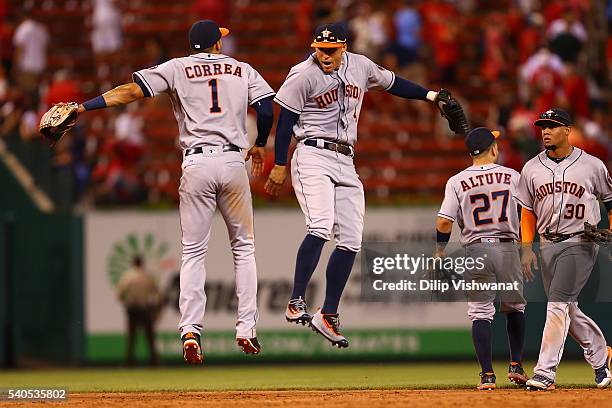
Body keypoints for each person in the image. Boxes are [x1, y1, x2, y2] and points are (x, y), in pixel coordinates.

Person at [70, 19, 275, 363]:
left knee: (193, 252)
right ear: (217, 44)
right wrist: (260, 144)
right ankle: (246, 329)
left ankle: (191, 330)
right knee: (243, 248)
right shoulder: (242, 69)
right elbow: (267, 109)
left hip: (196, 162)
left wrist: (83, 107)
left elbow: (131, 91)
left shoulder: (177, 67)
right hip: (232, 162)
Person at [265, 23, 463, 348]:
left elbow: (393, 83)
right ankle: (295, 300)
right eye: (319, 48)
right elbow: (285, 120)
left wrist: (430, 95)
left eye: (330, 49)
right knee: (319, 226)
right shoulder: (302, 74)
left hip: (346, 158)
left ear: (344, 46)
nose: (324, 55)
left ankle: (327, 314)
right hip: (313, 152)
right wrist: (280, 164)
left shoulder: (361, 65)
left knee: (352, 241)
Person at [516, 108, 612, 390]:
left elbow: (610, 200)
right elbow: (527, 212)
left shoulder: (592, 165)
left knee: (557, 304)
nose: (545, 130)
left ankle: (545, 372)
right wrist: (526, 248)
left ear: (567, 130)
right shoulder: (531, 167)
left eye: (552, 126)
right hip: (546, 243)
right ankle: (601, 357)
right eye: (543, 126)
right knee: (568, 308)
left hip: (580, 241)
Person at [436, 128, 528, 390]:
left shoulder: (456, 181)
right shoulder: (512, 176)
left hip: (475, 249)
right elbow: (529, 212)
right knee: (515, 308)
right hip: (507, 246)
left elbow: (444, 222)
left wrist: (440, 251)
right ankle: (516, 366)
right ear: (493, 149)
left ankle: (487, 375)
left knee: (480, 313)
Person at [116, 255, 161, 366]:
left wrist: (127, 303)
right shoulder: (147, 276)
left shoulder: (127, 277)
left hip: (132, 309)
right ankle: (153, 361)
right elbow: (158, 294)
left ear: (133, 263)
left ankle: (129, 361)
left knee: (132, 336)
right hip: (145, 308)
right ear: (142, 264)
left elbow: (119, 295)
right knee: (149, 336)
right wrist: (155, 308)